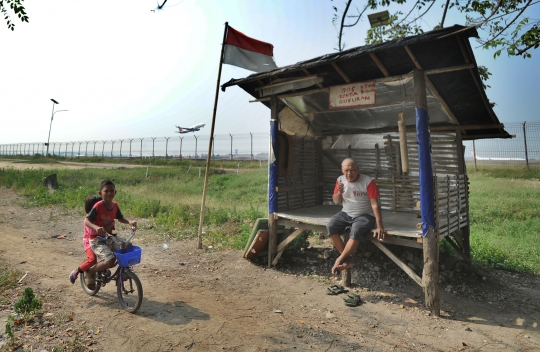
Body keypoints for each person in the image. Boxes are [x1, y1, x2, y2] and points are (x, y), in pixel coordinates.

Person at [327, 158, 386, 275]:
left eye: (352, 170)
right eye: (346, 170)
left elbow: (375, 204)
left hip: (365, 215)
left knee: (357, 229)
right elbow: (335, 200)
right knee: (331, 226)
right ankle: (347, 260)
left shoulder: (368, 181)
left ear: (357, 169)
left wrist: (379, 226)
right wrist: (339, 192)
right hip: (346, 213)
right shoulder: (340, 180)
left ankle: (340, 259)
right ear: (342, 170)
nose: (349, 173)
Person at [84, 180, 137, 288]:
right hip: (96, 239)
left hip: (109, 237)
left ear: (115, 192)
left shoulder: (115, 205)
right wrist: (96, 227)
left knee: (128, 245)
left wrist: (129, 221)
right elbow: (87, 221)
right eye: (106, 191)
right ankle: (90, 271)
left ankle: (121, 273)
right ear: (100, 193)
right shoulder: (98, 206)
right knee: (110, 260)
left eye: (111, 191)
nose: (109, 193)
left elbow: (120, 218)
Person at [68, 195, 102, 285]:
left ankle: (103, 269)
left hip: (100, 241)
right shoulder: (88, 219)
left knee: (110, 255)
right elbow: (93, 233)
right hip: (89, 242)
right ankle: (76, 271)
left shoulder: (101, 217)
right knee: (92, 260)